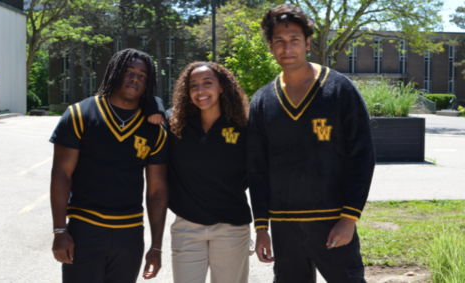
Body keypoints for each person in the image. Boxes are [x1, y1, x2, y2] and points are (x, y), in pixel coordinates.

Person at [248, 4, 376, 283]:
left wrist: (349, 218)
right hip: (285, 228)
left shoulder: (339, 89)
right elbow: (257, 169)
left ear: (307, 43)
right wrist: (261, 228)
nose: (287, 47)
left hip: (333, 224)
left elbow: (362, 156)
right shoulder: (262, 101)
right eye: (279, 41)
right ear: (270, 46)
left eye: (294, 39)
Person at [49, 48, 169, 283]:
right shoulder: (79, 114)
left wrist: (156, 246)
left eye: (143, 76)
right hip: (85, 230)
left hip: (130, 234)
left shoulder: (154, 129)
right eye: (129, 71)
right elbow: (62, 174)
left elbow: (156, 190)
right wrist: (60, 230)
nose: (135, 78)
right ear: (115, 72)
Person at [166, 62, 252, 283]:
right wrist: (152, 109)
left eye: (207, 83)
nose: (200, 91)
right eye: (193, 85)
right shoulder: (175, 124)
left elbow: (260, 177)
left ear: (222, 86)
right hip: (187, 227)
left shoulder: (244, 126)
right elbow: (148, 107)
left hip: (231, 227)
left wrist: (263, 227)